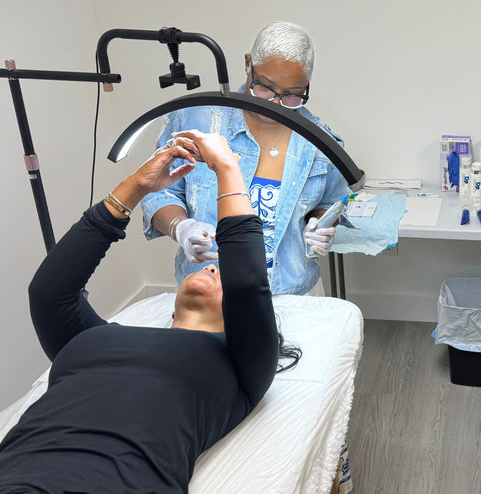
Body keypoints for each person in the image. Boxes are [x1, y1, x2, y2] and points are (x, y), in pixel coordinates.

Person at [0, 131, 288, 493]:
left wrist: (228, 169)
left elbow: (247, 284)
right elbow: (48, 292)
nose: (214, 267)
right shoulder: (94, 337)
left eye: (223, 270)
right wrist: (137, 186)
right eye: (214, 266)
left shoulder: (241, 366)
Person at [141, 21, 349, 296]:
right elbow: (158, 193)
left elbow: (331, 203)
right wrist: (181, 227)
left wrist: (322, 225)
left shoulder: (319, 142)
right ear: (248, 64)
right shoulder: (196, 122)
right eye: (265, 87)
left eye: (292, 95)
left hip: (292, 293)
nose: (275, 103)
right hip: (209, 295)